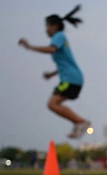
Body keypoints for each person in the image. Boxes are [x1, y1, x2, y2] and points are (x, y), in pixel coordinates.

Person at [18, 5, 91, 139]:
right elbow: (64, 63)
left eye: (47, 26)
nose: (46, 29)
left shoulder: (59, 36)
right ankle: (79, 122)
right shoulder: (60, 38)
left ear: (55, 26)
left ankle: (81, 122)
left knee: (52, 104)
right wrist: (52, 74)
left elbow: (51, 49)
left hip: (71, 79)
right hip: (72, 78)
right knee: (54, 104)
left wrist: (29, 47)